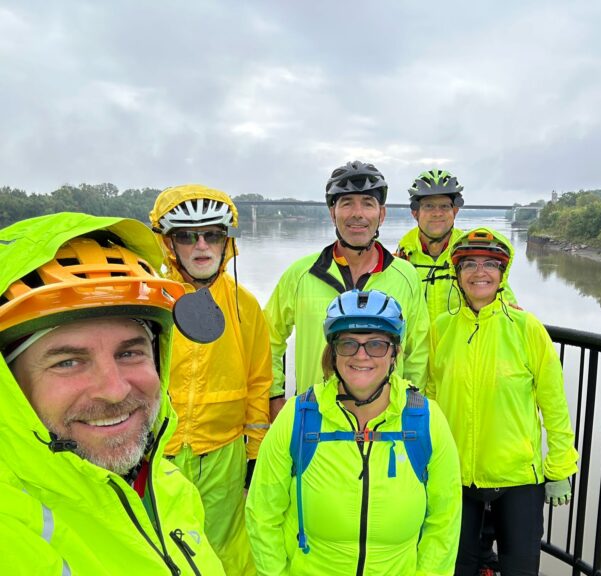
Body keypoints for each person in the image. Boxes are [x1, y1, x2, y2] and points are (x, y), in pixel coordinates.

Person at [0, 212, 226, 574]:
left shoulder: (168, 486)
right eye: (68, 362)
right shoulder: (10, 522)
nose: (114, 390)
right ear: (9, 384)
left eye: (129, 352)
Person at [246, 289, 462, 575]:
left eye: (376, 344)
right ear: (332, 352)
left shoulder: (425, 420)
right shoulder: (300, 417)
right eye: (348, 343)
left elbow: (444, 524)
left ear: (395, 352)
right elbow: (262, 514)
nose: (361, 355)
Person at [426, 227, 579, 576]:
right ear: (458, 274)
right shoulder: (440, 328)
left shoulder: (527, 327)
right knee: (456, 568)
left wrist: (560, 467)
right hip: (456, 475)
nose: (480, 272)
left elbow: (553, 403)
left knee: (520, 567)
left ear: (502, 273)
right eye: (469, 265)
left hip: (517, 479)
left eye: (490, 264)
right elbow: (432, 395)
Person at [150, 184, 272, 576]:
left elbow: (258, 382)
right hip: (156, 451)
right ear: (169, 244)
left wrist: (255, 454)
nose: (201, 246)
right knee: (156, 547)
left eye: (212, 235)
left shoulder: (245, 305)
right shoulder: (148, 299)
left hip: (222, 454)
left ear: (225, 242)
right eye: (187, 236)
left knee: (224, 549)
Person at [265, 160, 430, 408]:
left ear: (381, 214)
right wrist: (274, 396)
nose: (357, 213)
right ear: (333, 213)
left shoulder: (406, 276)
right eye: (346, 203)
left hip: (385, 423)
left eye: (367, 203)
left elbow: (418, 352)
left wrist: (410, 406)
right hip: (315, 420)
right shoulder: (300, 274)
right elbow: (268, 339)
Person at [395, 169, 517, 324]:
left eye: (444, 206)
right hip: (416, 348)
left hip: (463, 346)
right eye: (429, 206)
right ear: (415, 212)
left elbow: (503, 301)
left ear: (455, 211)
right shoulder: (401, 259)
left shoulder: (472, 251)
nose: (437, 213)